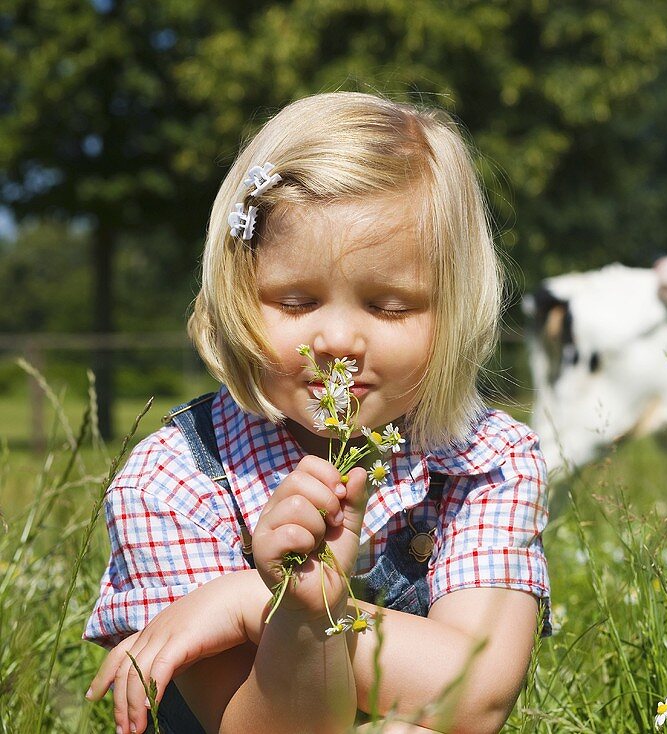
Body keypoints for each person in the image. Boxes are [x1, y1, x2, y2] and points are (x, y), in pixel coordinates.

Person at [83, 92, 551, 734]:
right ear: (237, 289)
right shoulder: (174, 484)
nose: (336, 341)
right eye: (296, 302)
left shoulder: (484, 460)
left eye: (390, 307)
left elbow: (475, 695)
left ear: (454, 305)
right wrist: (301, 616)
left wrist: (251, 601)